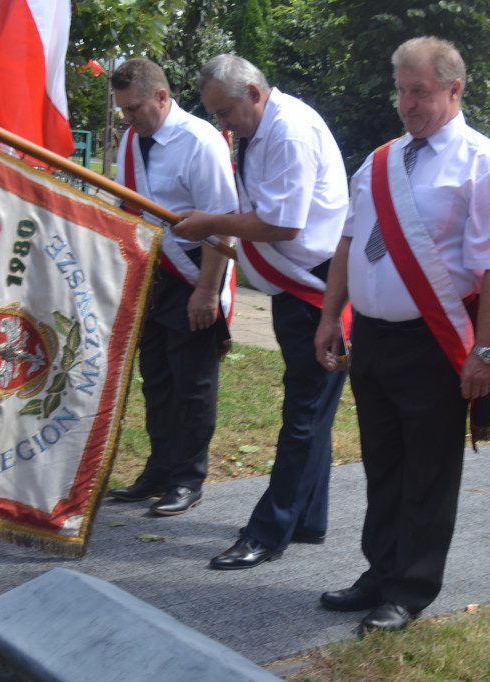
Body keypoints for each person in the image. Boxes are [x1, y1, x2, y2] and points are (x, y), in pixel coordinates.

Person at [313, 37, 490, 632]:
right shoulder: (379, 162)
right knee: (383, 465)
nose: (406, 103)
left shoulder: (484, 164)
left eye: (420, 92)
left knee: (428, 472)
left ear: (455, 90)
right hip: (373, 339)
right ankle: (378, 573)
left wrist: (485, 351)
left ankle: (411, 588)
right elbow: (350, 242)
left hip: (434, 344)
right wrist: (331, 316)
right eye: (401, 91)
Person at [173, 54, 350, 569]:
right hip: (299, 285)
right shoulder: (267, 125)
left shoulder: (288, 132)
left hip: (314, 286)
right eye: (214, 115)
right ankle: (306, 518)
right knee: (311, 408)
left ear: (253, 92)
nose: (221, 125)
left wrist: (212, 221)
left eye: (225, 112)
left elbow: (285, 224)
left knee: (303, 411)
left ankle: (269, 531)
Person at [106, 58, 238, 516]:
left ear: (162, 97)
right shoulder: (130, 140)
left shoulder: (201, 141)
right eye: (123, 110)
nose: (128, 118)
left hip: (194, 272)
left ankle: (187, 477)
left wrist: (206, 292)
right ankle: (158, 471)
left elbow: (224, 224)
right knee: (158, 379)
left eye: (135, 108)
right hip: (152, 277)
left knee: (193, 381)